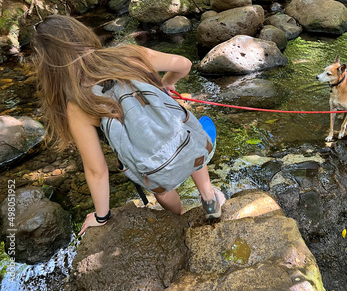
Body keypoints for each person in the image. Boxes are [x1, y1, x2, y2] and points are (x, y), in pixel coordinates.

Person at [30, 15, 225, 235]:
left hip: (150, 166)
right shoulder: (129, 54)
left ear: (49, 66)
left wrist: (101, 216)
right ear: (83, 34)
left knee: (159, 187)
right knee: (188, 141)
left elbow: (97, 171)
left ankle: (180, 217)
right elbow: (184, 64)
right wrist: (166, 82)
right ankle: (209, 199)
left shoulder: (77, 104)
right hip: (180, 139)